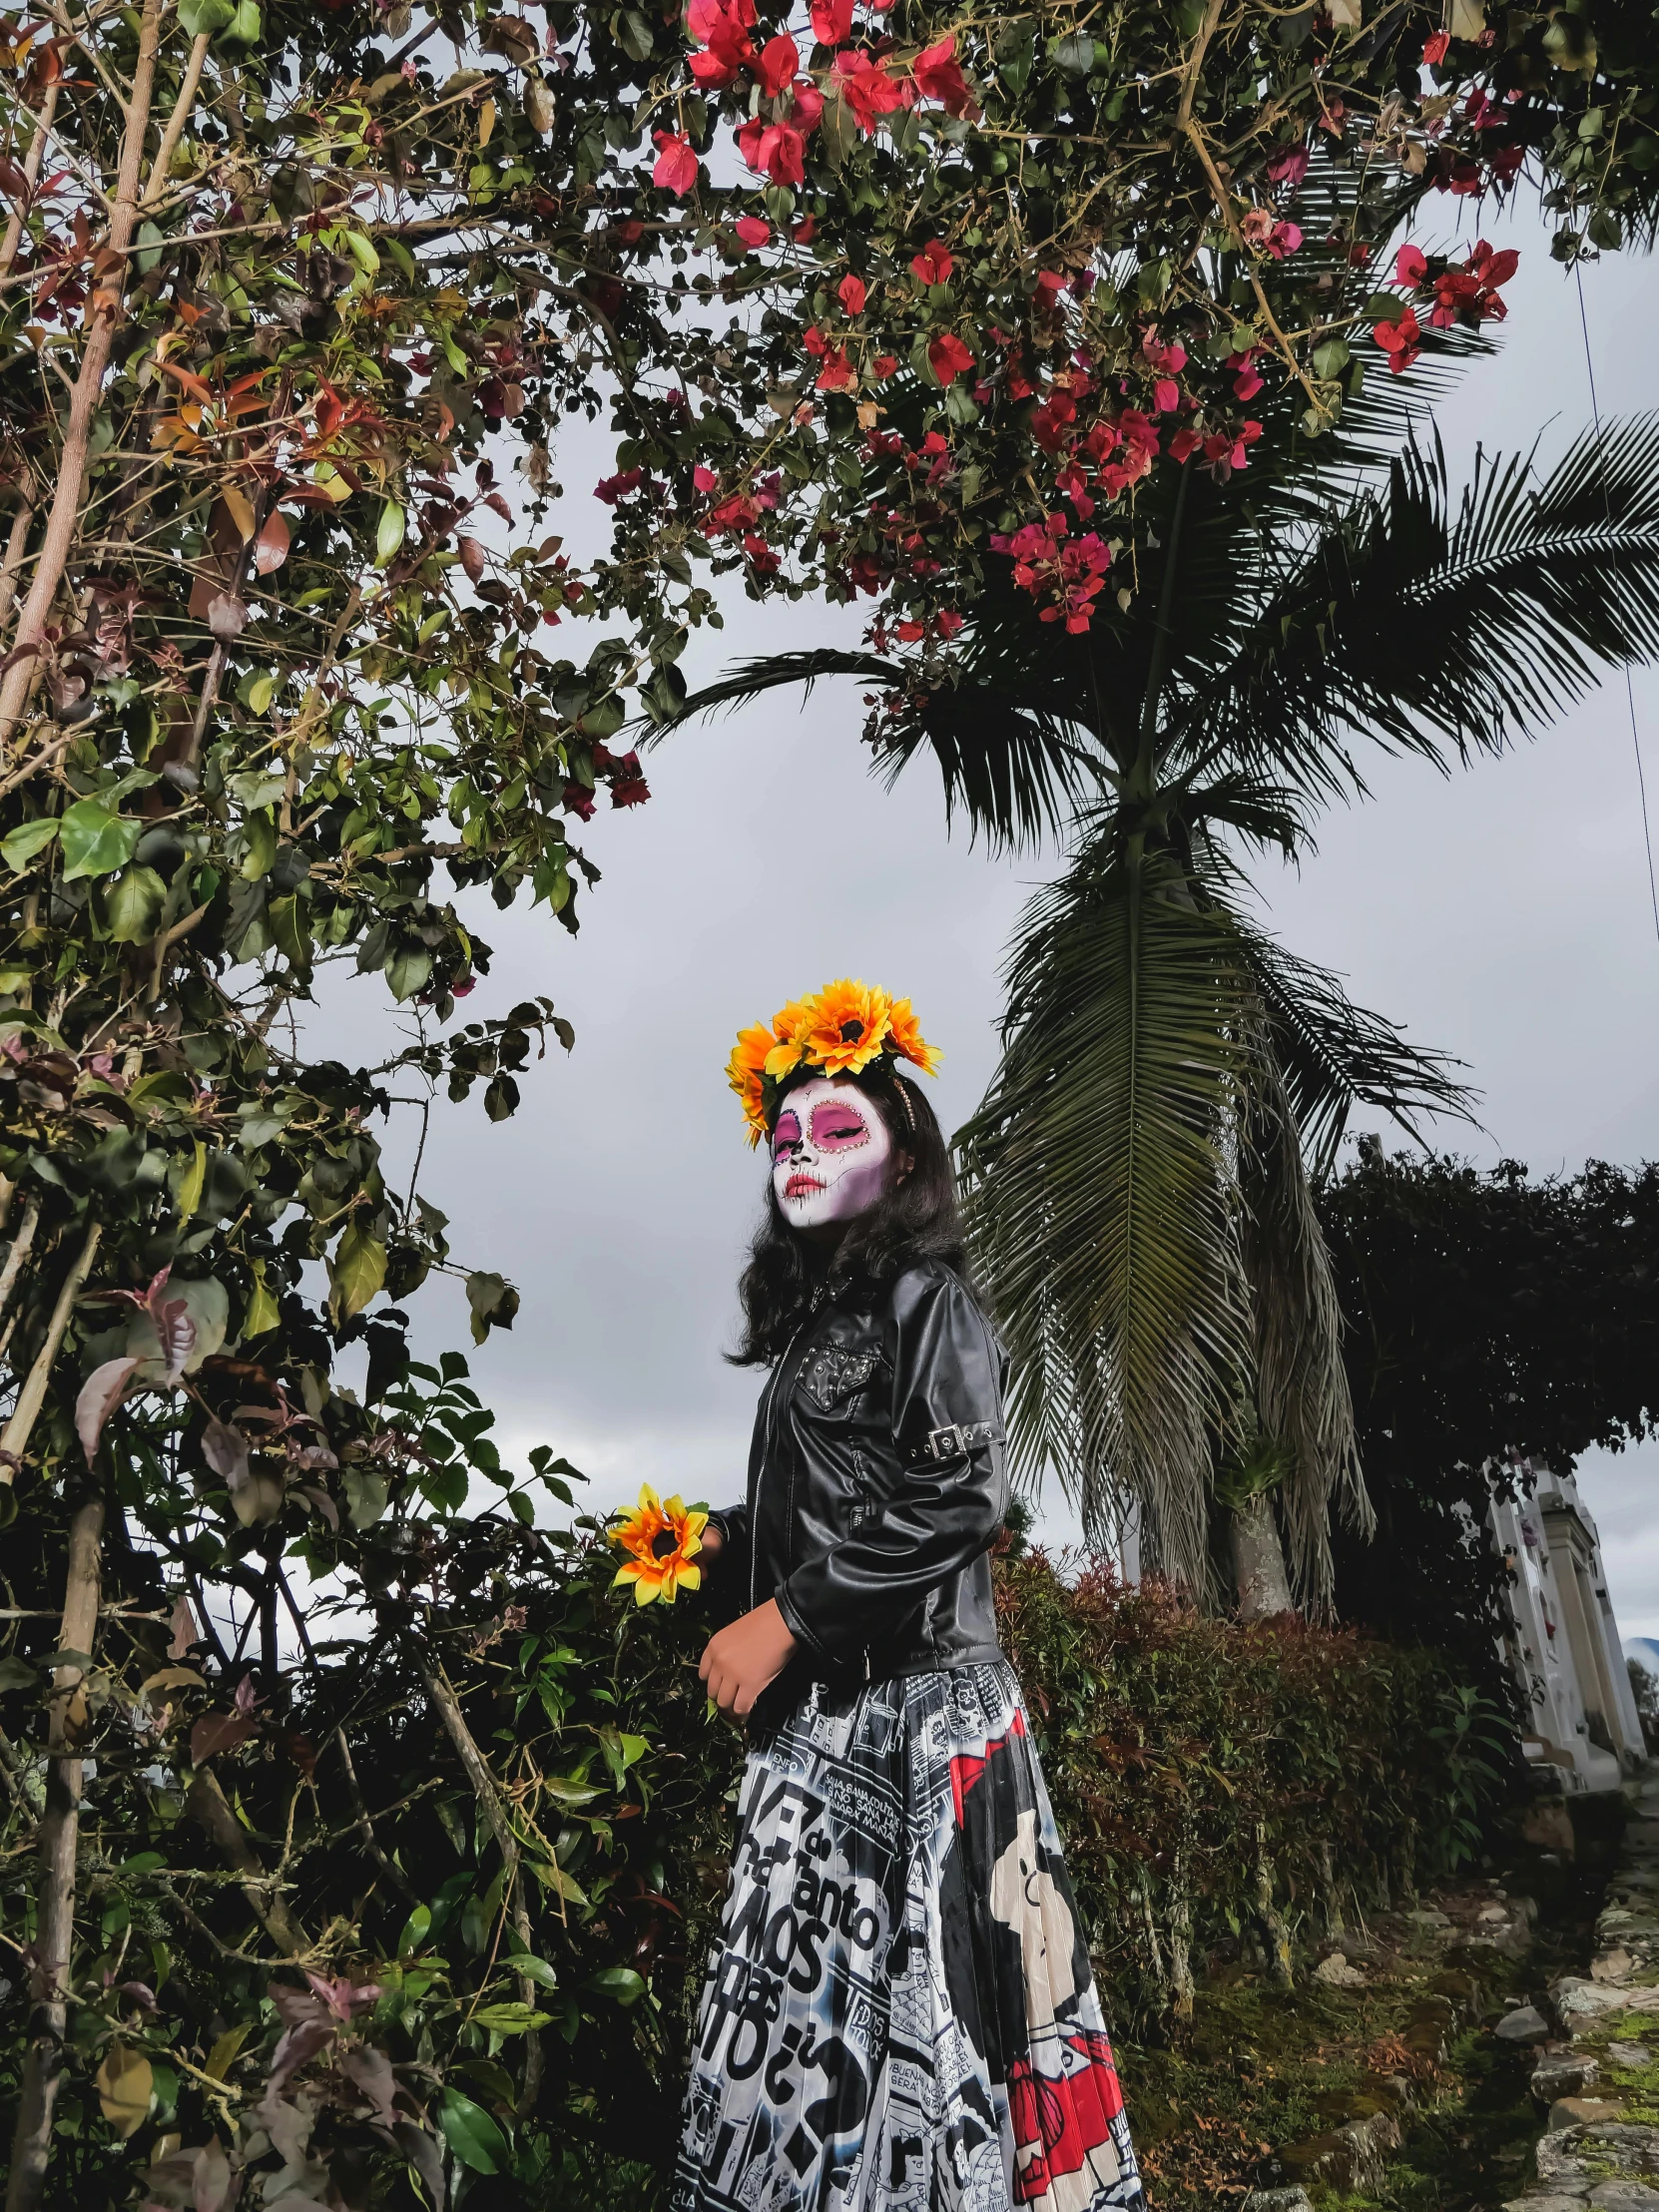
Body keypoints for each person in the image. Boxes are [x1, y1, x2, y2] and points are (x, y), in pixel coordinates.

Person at [670, 980, 1148, 2212]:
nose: (802, 1153)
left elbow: (958, 1499)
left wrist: (783, 1619)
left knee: (941, 2035)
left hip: (920, 1718)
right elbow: (841, 1504)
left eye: (840, 1130)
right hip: (829, 1716)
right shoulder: (816, 1321)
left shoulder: (927, 1298)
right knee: (809, 2038)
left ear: (907, 1157)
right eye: (786, 1136)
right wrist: (709, 1544)